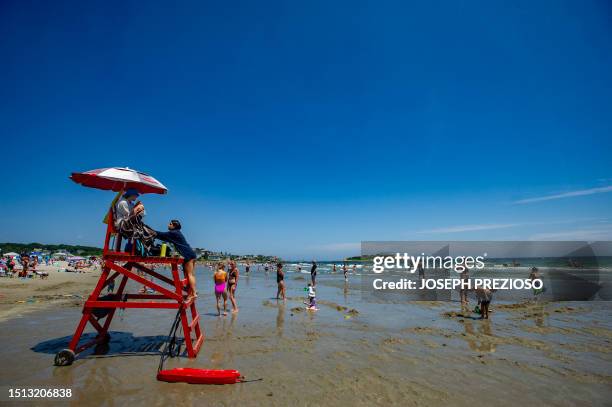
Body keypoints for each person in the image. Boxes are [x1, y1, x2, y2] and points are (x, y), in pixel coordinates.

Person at [154, 220, 198, 302]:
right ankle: (191, 293)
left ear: (174, 226)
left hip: (188, 254)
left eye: (170, 224)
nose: (168, 225)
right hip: (191, 254)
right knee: (191, 275)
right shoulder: (177, 233)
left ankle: (194, 293)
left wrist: (151, 231)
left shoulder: (174, 233)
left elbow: (161, 235)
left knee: (189, 275)